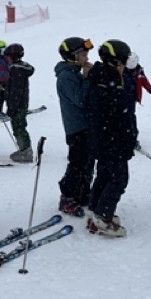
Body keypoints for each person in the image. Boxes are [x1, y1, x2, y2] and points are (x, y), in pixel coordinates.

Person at [86, 39, 136, 238]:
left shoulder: (101, 77)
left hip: (102, 140)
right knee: (119, 178)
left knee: (105, 175)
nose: (124, 67)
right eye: (123, 62)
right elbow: (119, 118)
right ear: (116, 62)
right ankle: (102, 217)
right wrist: (128, 139)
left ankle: (95, 210)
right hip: (112, 142)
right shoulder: (109, 83)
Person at [55, 36, 95, 217]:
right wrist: (87, 79)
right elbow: (80, 100)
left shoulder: (75, 73)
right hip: (76, 128)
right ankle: (67, 196)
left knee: (88, 163)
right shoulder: (66, 76)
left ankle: (82, 193)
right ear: (72, 56)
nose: (86, 57)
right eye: (83, 54)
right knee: (77, 163)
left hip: (85, 126)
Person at [4, 43, 34, 163]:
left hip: (18, 105)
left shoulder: (16, 70)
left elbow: (16, 91)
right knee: (19, 126)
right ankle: (25, 149)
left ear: (13, 57)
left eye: (8, 57)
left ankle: (25, 151)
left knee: (18, 127)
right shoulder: (19, 68)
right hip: (21, 104)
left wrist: (11, 108)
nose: (7, 59)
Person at [123, 52, 151, 150]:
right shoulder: (122, 70)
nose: (132, 70)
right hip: (120, 98)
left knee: (130, 117)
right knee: (122, 117)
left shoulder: (139, 70)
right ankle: (122, 137)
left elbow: (143, 81)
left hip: (131, 98)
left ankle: (132, 138)